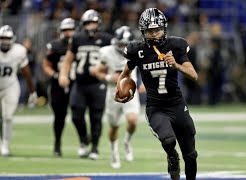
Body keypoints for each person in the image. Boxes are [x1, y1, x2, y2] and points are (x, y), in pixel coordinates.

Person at [115, 8, 198, 180]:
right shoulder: (136, 50)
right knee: (168, 141)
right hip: (156, 107)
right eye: (150, 31)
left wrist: (176, 65)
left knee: (190, 155)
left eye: (157, 29)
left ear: (164, 28)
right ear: (143, 32)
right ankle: (172, 156)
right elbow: (125, 74)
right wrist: (119, 89)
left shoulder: (175, 45)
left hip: (177, 104)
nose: (154, 34)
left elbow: (194, 75)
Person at [58, 9, 112, 160]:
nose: (90, 26)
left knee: (96, 117)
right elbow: (69, 59)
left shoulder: (107, 39)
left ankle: (94, 148)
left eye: (93, 23)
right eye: (87, 23)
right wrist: (63, 74)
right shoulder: (77, 38)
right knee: (76, 113)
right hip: (80, 83)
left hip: (98, 83)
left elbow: (114, 59)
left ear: (99, 24)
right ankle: (83, 140)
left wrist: (106, 74)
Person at [90, 26, 144, 168]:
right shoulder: (106, 52)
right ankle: (114, 151)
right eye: (121, 44)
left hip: (131, 93)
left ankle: (127, 142)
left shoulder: (138, 51)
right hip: (112, 93)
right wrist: (109, 77)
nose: (123, 47)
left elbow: (146, 69)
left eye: (126, 44)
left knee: (132, 121)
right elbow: (96, 71)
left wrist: (144, 83)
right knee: (114, 126)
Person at [0, 25, 37, 156]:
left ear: (13, 39)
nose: (4, 41)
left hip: (10, 85)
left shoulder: (19, 51)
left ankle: (5, 145)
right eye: (2, 38)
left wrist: (32, 91)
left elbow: (26, 72)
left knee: (7, 116)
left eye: (7, 38)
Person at [42, 18, 76, 157]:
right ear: (61, 31)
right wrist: (56, 75)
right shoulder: (55, 45)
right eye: (65, 30)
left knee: (78, 114)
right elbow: (46, 65)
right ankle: (57, 144)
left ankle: (85, 142)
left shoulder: (80, 43)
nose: (68, 33)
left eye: (70, 30)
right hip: (58, 84)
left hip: (77, 83)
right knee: (59, 116)